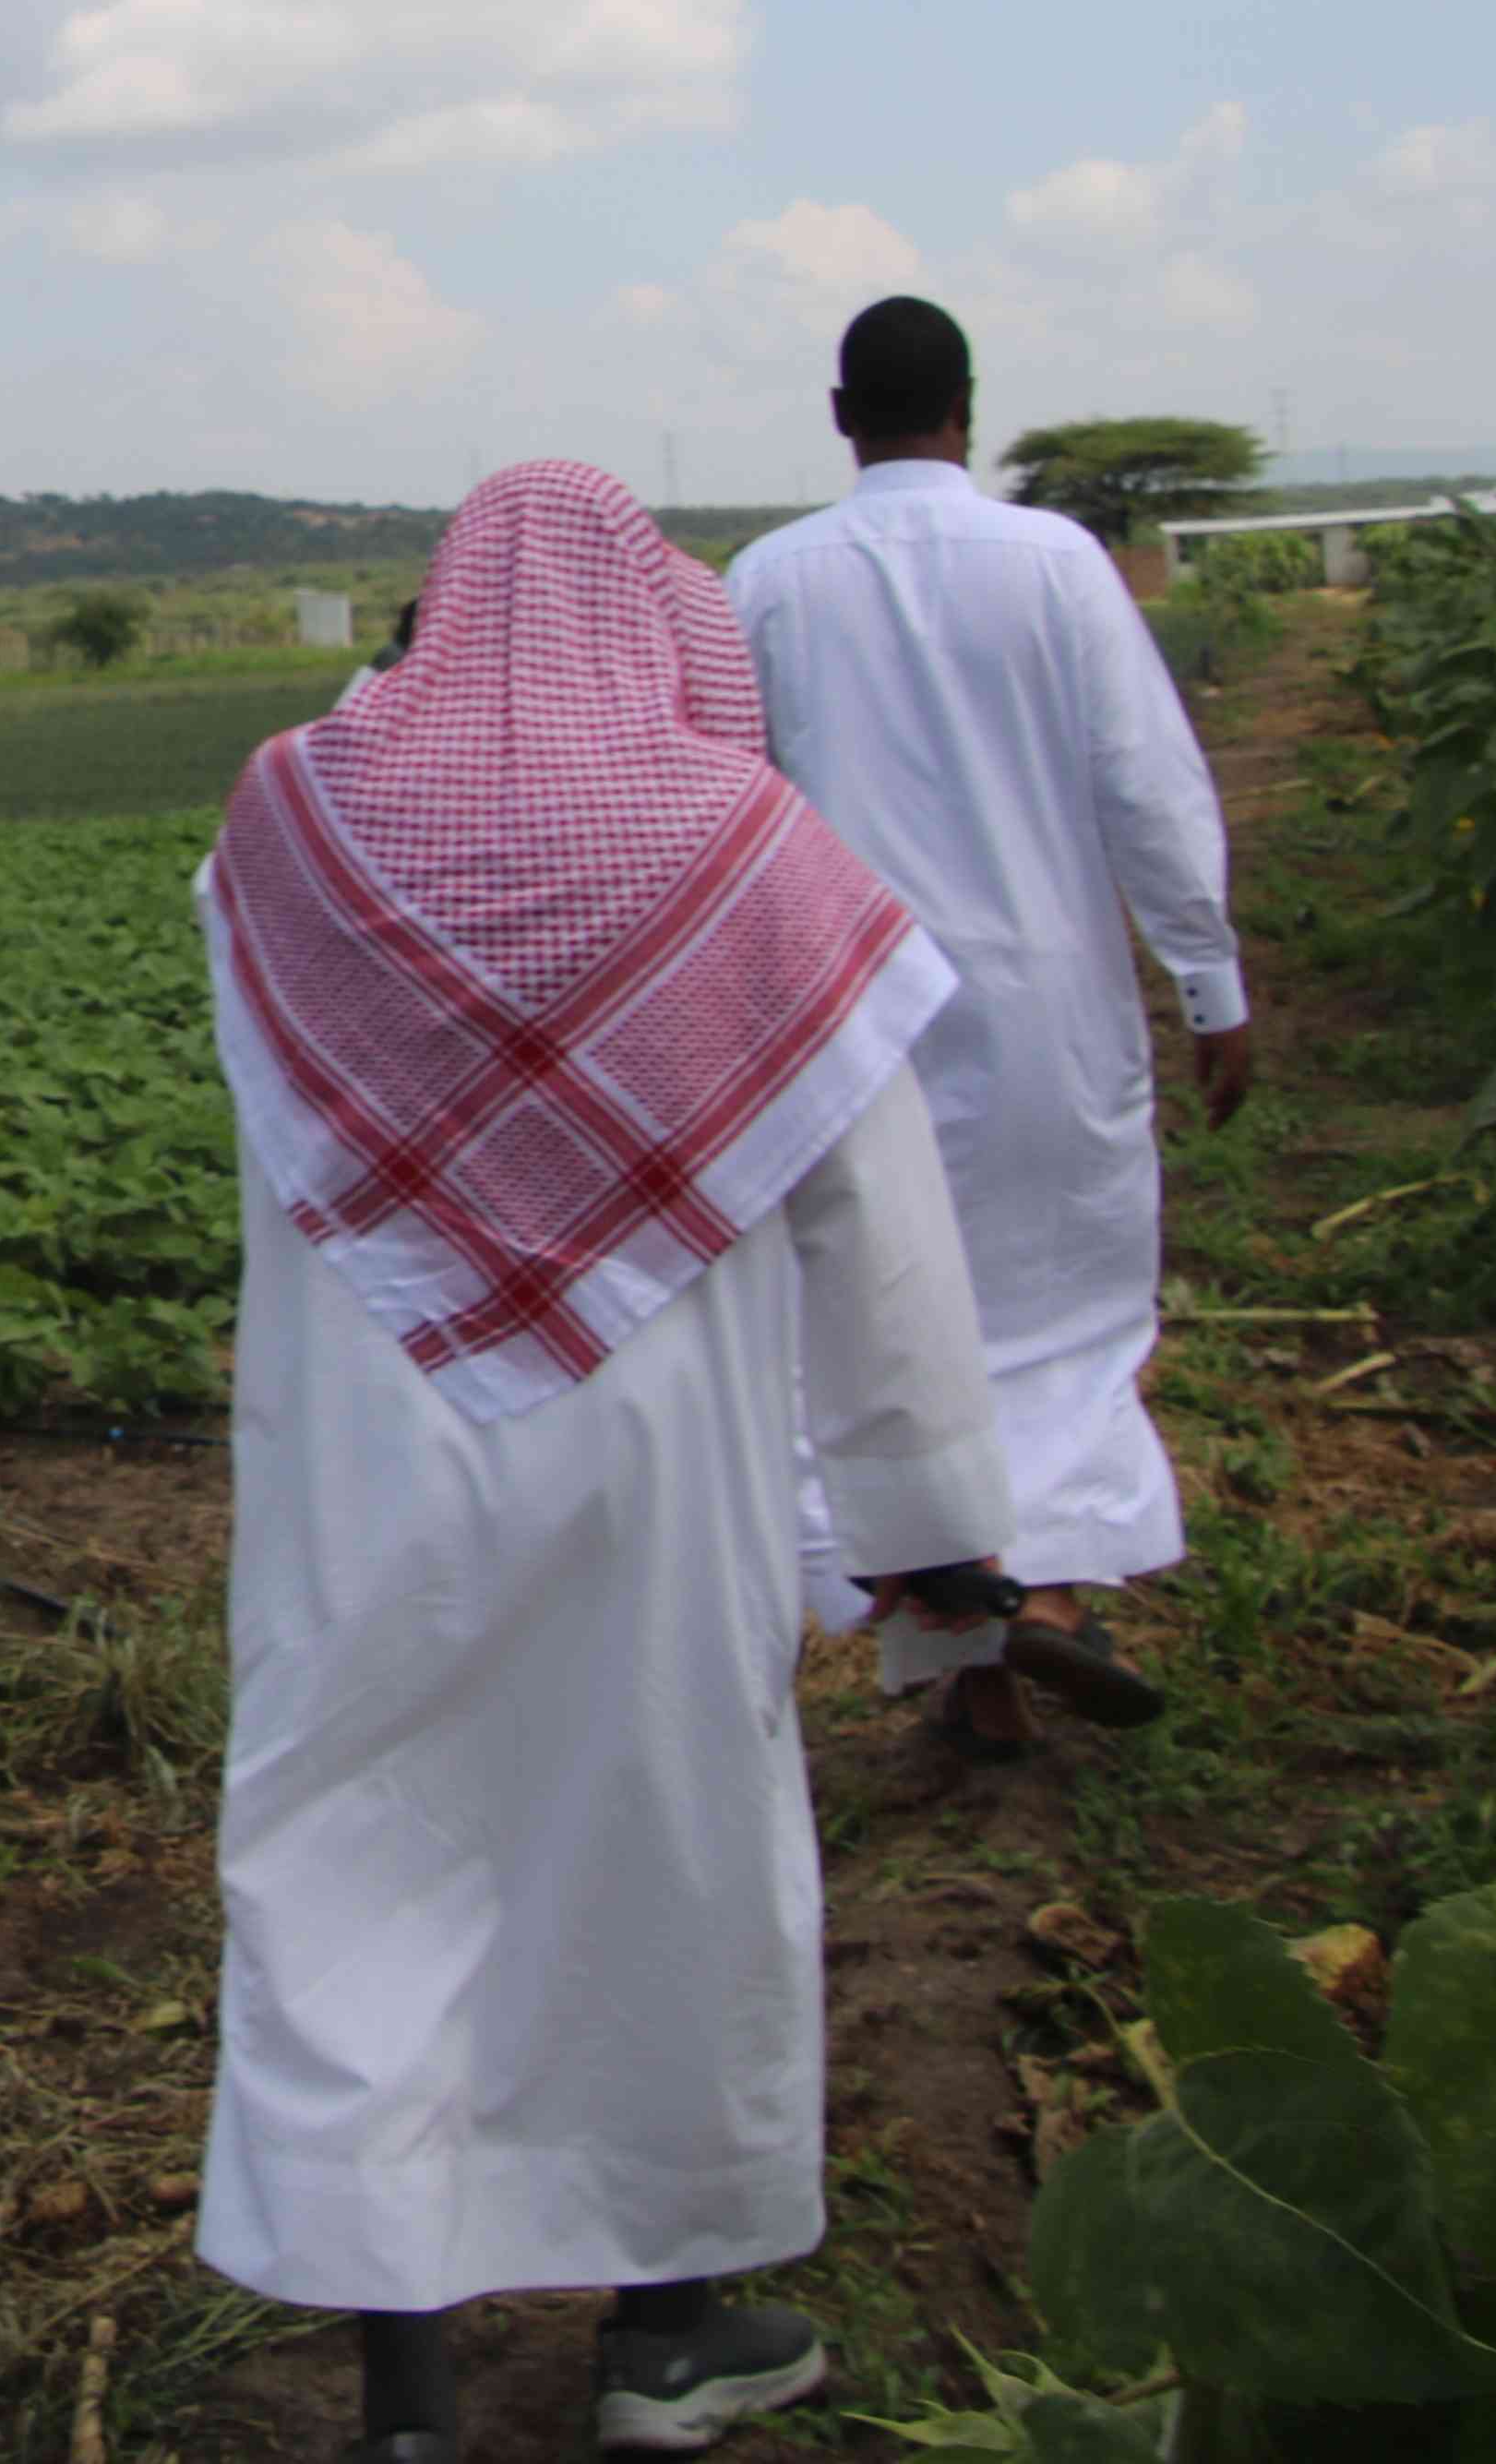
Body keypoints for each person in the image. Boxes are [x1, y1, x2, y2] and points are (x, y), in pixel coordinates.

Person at [195, 462, 1015, 2464]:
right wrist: (936, 1534)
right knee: (667, 1840)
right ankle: (667, 2332)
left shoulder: (291, 816)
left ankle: (403, 2392)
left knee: (366, 1848)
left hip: (369, 1449)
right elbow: (874, 1221)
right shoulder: (745, 844)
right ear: (661, 630)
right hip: (661, 1456)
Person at [727, 297, 1252, 1761]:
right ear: (970, 405)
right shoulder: (1058, 565)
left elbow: (725, 822)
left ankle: (967, 1657)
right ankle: (1057, 1601)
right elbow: (1145, 788)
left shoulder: (766, 582)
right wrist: (1210, 981)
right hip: (1045, 1016)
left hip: (849, 1022)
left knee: (886, 1334)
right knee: (1065, 1313)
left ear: (842, 416)